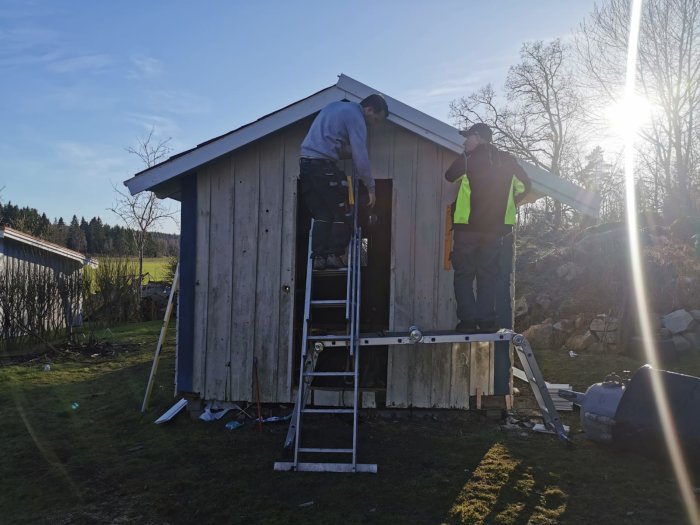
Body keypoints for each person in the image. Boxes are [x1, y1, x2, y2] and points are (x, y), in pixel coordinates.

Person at [445, 123, 531, 333]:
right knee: (488, 275)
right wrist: (509, 202)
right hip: (494, 230)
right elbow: (525, 185)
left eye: (468, 137)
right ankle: (485, 322)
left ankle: (467, 323)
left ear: (479, 138)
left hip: (468, 229)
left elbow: (449, 176)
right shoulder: (508, 161)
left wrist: (465, 155)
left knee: (464, 275)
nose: (465, 142)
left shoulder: (468, 159)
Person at [299, 94, 389, 270]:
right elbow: (360, 155)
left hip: (306, 165)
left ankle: (319, 258)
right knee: (344, 210)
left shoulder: (333, 106)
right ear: (369, 109)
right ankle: (333, 255)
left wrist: (346, 153)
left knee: (322, 214)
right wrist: (371, 187)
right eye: (376, 119)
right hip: (323, 166)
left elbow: (326, 144)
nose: (374, 123)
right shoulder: (356, 116)